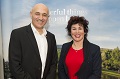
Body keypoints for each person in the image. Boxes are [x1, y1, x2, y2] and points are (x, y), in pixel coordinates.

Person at [9, 3, 58, 79]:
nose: (41, 18)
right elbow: (14, 65)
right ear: (31, 14)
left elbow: (53, 63)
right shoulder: (18, 34)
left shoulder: (51, 37)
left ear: (48, 17)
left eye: (44, 15)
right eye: (37, 14)